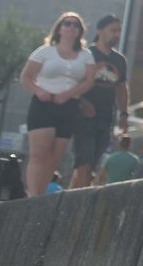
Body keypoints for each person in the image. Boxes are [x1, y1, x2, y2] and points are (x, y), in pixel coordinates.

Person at [19, 12, 94, 198]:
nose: (71, 28)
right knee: (38, 155)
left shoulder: (86, 55)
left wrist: (69, 94)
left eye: (76, 25)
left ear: (80, 32)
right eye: (67, 24)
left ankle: (41, 194)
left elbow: (88, 81)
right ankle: (33, 196)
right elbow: (26, 77)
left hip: (68, 106)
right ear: (59, 28)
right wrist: (39, 91)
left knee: (53, 158)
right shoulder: (45, 51)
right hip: (44, 104)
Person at [70, 14, 128, 188]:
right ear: (100, 31)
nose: (116, 34)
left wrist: (124, 114)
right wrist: (81, 101)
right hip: (83, 115)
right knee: (84, 161)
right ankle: (81, 203)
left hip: (106, 116)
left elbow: (121, 87)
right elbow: (71, 81)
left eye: (119, 31)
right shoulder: (86, 54)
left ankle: (69, 198)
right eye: (113, 30)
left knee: (90, 164)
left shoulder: (119, 60)